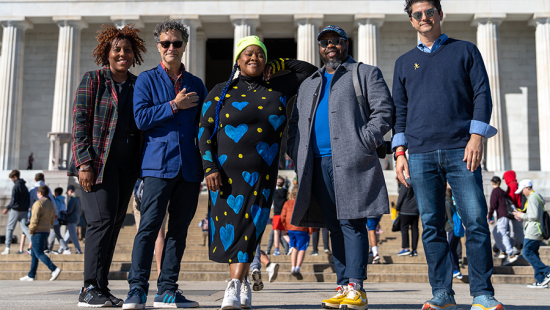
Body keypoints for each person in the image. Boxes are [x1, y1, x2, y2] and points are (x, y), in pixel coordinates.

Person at [392, 1, 505, 309]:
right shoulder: (404, 63)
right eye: (418, 14)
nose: (424, 18)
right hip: (419, 153)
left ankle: (482, 293)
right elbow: (399, 110)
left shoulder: (465, 51)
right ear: (412, 21)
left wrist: (477, 136)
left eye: (430, 12)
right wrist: (399, 152)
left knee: (476, 222)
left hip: (460, 149)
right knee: (430, 225)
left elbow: (482, 93)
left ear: (440, 15)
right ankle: (442, 292)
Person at [200, 35, 317, 310]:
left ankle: (234, 286)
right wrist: (209, 166)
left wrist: (280, 63)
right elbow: (204, 129)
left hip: (263, 175)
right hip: (225, 175)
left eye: (260, 54)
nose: (254, 58)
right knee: (235, 229)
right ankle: (239, 285)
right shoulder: (221, 90)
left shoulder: (277, 86)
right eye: (248, 54)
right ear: (237, 61)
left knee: (250, 229)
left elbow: (311, 72)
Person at [287, 24, 393, 310]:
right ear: (319, 48)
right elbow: (295, 124)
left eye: (336, 41)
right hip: (316, 162)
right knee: (333, 225)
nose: (330, 46)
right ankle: (343, 284)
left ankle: (357, 287)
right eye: (324, 42)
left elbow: (384, 112)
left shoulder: (364, 73)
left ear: (346, 43)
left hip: (351, 159)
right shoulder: (309, 82)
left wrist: (364, 142)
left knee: (352, 221)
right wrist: (296, 154)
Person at [123, 19, 206, 310]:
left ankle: (167, 290)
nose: (171, 47)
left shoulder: (196, 84)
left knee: (179, 231)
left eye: (177, 43)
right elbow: (141, 119)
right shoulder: (145, 79)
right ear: (158, 46)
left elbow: (204, 129)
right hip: (157, 165)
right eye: (166, 43)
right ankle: (136, 290)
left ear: (184, 46)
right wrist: (174, 105)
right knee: (148, 228)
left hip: (189, 168)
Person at [69, 24, 146, 308]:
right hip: (97, 162)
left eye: (127, 49)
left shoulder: (138, 85)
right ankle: (88, 287)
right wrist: (84, 162)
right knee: (100, 221)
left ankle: (100, 287)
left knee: (112, 224)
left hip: (126, 165)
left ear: (134, 53)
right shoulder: (94, 80)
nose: (122, 54)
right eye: (117, 49)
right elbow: (79, 123)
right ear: (107, 53)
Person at [512, 180, 550, 289]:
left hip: (533, 230)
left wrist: (521, 215)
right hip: (537, 229)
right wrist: (522, 215)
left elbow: (533, 216)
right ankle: (540, 280)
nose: (522, 193)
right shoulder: (536, 197)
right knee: (534, 253)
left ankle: (547, 271)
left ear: (527, 187)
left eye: (522, 190)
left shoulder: (532, 197)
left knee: (526, 252)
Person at [19, 186, 62, 282]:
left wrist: (31, 229)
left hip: (37, 231)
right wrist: (49, 225)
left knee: (38, 252)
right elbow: (52, 218)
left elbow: (34, 218)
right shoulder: (51, 204)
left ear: (40, 193)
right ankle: (31, 275)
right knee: (34, 253)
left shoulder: (38, 203)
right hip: (46, 230)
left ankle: (54, 268)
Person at [131, 179, 167, 278]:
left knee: (141, 233)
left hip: (140, 193)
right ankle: (160, 274)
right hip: (160, 191)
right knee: (159, 233)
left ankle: (138, 274)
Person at [281, 185, 314, 279]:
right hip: (302, 228)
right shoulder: (305, 203)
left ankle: (293, 267)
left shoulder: (287, 203)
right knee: (302, 248)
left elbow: (283, 216)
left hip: (291, 228)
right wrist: (310, 230)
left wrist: (286, 227)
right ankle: (298, 267)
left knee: (294, 247)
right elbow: (310, 217)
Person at [1, 170, 32, 255]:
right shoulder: (25, 187)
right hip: (24, 211)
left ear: (15, 177)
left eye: (11, 178)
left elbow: (14, 199)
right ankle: (34, 245)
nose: (11, 180)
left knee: (10, 228)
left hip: (15, 210)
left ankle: (7, 248)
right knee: (25, 229)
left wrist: (7, 208)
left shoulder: (16, 186)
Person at [488, 176, 517, 264]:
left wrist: (489, 216)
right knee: (496, 232)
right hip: (505, 215)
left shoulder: (495, 191)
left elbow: (492, 205)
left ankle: (510, 254)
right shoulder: (503, 191)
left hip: (502, 215)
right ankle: (502, 251)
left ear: (492, 183)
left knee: (502, 233)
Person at [503, 170, 524, 251]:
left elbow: (510, 199)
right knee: (517, 229)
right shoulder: (516, 184)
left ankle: (518, 246)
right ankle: (516, 246)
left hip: (514, 210)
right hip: (518, 209)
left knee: (515, 229)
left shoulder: (511, 185)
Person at [396, 183, 419, 257]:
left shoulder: (405, 182)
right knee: (415, 229)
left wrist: (397, 207)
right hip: (415, 210)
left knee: (404, 228)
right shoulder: (417, 183)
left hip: (405, 209)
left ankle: (406, 248)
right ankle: (414, 250)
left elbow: (401, 196)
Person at [445, 185, 463, 280]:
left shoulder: (445, 203)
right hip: (456, 228)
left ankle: (455, 270)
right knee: (453, 249)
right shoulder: (453, 202)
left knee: (449, 250)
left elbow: (444, 217)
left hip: (449, 228)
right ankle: (457, 270)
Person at [48, 187, 70, 254]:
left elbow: (54, 211)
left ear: (56, 193)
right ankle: (49, 249)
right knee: (53, 234)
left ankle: (66, 248)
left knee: (58, 235)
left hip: (56, 220)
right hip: (60, 219)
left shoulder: (56, 201)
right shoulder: (62, 200)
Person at [272, 176, 289, 255]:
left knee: (276, 233)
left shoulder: (275, 192)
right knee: (284, 233)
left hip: (276, 215)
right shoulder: (285, 192)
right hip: (284, 215)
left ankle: (277, 250)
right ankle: (292, 245)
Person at [63, 185, 82, 254]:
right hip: (76, 219)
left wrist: (63, 212)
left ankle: (78, 250)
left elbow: (69, 211)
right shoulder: (78, 199)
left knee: (73, 235)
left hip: (71, 219)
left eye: (68, 191)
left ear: (70, 191)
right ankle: (60, 249)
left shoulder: (72, 199)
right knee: (67, 236)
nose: (68, 193)